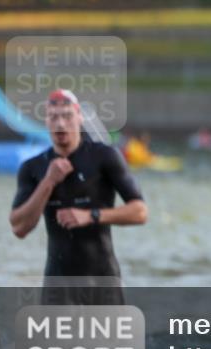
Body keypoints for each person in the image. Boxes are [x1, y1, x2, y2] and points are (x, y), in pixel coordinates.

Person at [9, 90, 148, 304]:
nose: (60, 124)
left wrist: (91, 215)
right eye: (54, 117)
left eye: (67, 116)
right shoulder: (33, 168)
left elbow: (140, 212)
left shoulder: (104, 156)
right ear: (46, 121)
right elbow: (19, 227)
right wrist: (48, 182)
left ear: (79, 118)